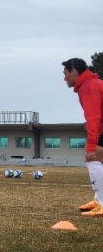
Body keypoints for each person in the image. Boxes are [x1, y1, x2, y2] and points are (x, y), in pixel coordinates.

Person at [62, 58, 103, 217]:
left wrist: (91, 144)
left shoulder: (88, 86)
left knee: (92, 159)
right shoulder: (93, 84)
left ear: (74, 72)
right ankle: (98, 200)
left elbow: (94, 118)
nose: (64, 77)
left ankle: (102, 202)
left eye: (65, 73)